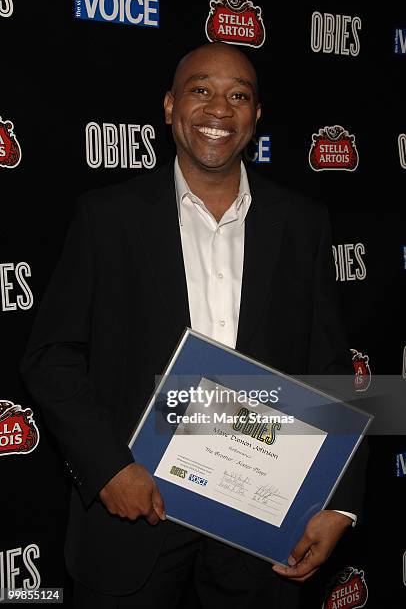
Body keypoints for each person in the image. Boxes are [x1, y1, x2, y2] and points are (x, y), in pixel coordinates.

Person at [20, 42, 366, 608]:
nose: (218, 110)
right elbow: (51, 356)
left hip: (262, 517)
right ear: (169, 106)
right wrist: (109, 468)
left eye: (238, 96)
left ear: (256, 117)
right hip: (135, 508)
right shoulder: (106, 217)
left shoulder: (302, 223)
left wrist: (341, 501)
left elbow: (329, 368)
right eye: (200, 90)